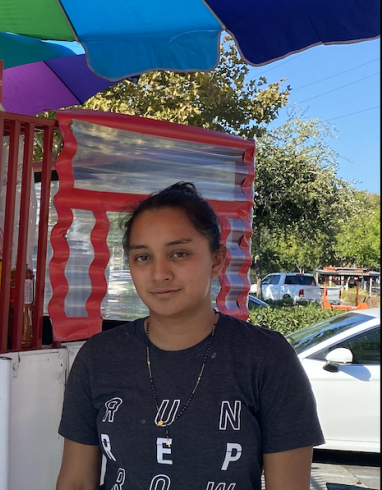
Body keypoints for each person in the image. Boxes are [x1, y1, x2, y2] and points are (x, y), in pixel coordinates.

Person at [56, 182, 323, 490]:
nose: (159, 273)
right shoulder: (99, 357)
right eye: (143, 257)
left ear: (217, 260)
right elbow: (75, 482)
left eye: (179, 253)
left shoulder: (265, 358)